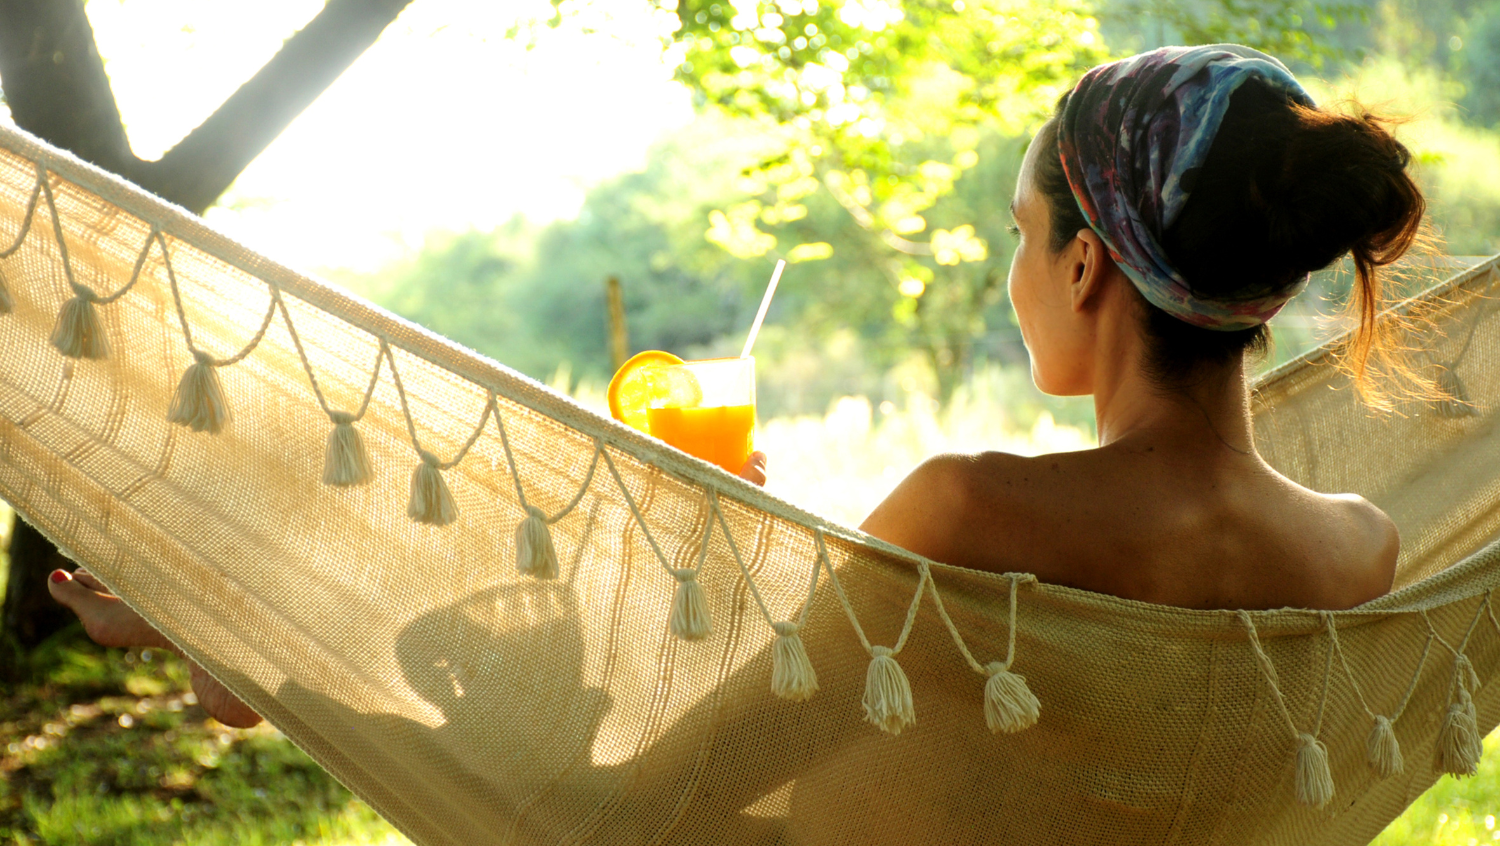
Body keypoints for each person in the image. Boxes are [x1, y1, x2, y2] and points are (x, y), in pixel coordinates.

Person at [47, 44, 1419, 728]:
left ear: (1082, 268)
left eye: (1018, 235)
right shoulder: (1365, 549)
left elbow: (674, 795)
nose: (1014, 275)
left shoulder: (972, 510)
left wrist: (248, 645)